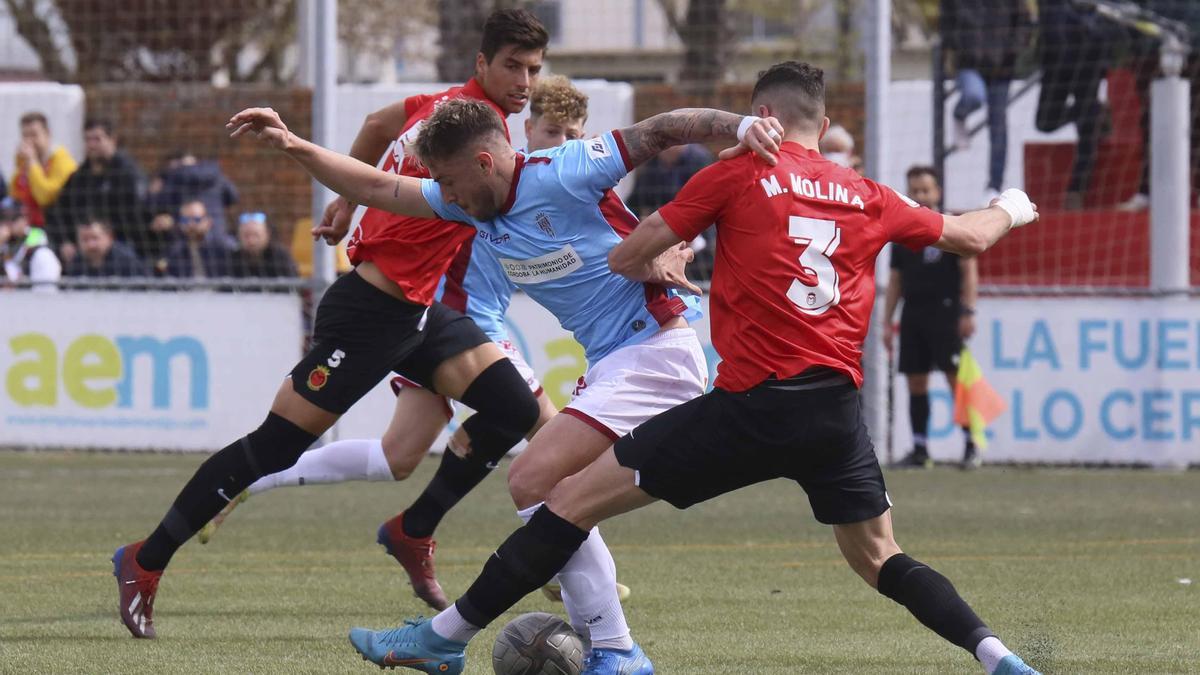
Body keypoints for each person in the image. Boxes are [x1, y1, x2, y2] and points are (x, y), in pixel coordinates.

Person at [327, 61, 1043, 675]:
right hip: (835, 414)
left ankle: (452, 638)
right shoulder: (866, 192)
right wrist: (1011, 205)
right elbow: (967, 236)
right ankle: (996, 654)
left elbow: (628, 252)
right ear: (819, 128)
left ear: (761, 117)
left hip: (746, 406)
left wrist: (666, 252)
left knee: (557, 495)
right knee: (881, 556)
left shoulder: (738, 174)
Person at [225, 87, 783, 672]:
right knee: (554, 493)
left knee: (533, 477)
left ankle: (552, 644)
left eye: (449, 178)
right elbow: (373, 187)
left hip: (656, 351)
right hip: (620, 358)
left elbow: (664, 127)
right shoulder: (466, 200)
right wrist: (291, 143)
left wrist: (742, 125)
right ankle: (613, 651)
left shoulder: (564, 170)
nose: (446, 194)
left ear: (483, 163)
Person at [110, 7, 550, 642]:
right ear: (482, 64)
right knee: (274, 446)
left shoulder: (453, 110)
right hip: (370, 312)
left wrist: (347, 202)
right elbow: (404, 186)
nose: (525, 80)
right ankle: (142, 562)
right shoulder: (467, 139)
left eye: (534, 68)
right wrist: (345, 189)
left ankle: (413, 529)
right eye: (513, 65)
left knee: (512, 407)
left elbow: (375, 126)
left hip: (421, 312)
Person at [199, 75, 615, 609]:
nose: (562, 143)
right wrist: (348, 202)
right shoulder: (486, 174)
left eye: (573, 134)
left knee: (399, 457)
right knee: (553, 432)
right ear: (524, 129)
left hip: (458, 322)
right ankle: (564, 571)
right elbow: (382, 144)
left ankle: (268, 484)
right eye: (552, 130)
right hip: (449, 320)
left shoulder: (550, 183)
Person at [883, 166, 980, 469]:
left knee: (955, 379)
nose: (921, 195)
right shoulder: (903, 233)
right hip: (913, 314)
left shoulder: (951, 226)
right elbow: (896, 280)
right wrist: (887, 321)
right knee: (916, 381)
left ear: (937, 192)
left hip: (946, 312)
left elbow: (968, 271)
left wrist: (968, 310)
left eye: (926, 189)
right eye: (915, 190)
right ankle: (920, 449)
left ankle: (970, 444)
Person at [942, 0, 1032, 202]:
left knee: (998, 125)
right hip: (969, 63)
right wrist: (952, 52)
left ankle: (994, 185)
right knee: (974, 96)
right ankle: (960, 114)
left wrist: (1012, 52)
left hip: (1001, 67)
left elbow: (1024, 22)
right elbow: (947, 25)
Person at [1035, 0, 1114, 210]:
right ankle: (1096, 110)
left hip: (1088, 58)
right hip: (1056, 66)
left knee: (1087, 129)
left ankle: (1076, 190)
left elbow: (1105, 16)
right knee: (1045, 122)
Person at [47, 119, 147, 257]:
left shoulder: (128, 174)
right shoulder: (78, 177)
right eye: (87, 140)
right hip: (82, 247)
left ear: (113, 140)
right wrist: (65, 241)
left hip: (120, 245)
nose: (91, 145)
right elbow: (60, 210)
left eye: (97, 139)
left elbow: (136, 215)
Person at [9, 112, 77, 254]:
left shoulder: (62, 161)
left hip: (54, 233)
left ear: (47, 134)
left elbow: (45, 197)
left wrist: (32, 162)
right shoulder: (27, 164)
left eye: (34, 135)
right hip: (27, 229)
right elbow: (15, 194)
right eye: (25, 136)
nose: (29, 141)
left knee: (29, 251)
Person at [145, 150, 238, 247]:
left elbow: (154, 205)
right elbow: (233, 196)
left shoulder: (173, 177)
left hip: (185, 238)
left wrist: (153, 193)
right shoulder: (215, 174)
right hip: (218, 233)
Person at [0, 197, 61, 290]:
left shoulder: (37, 236)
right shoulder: (5, 242)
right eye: (3, 218)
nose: (7, 223)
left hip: (34, 293)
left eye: (13, 218)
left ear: (25, 219)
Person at [164, 199, 234, 278]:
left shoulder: (224, 247)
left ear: (208, 221)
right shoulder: (175, 251)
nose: (191, 224)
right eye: (185, 220)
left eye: (197, 220)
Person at [64, 217, 147, 277]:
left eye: (95, 238)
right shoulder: (76, 263)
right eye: (85, 239)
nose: (91, 245)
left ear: (110, 237)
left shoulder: (128, 263)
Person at [229, 212, 298, 278]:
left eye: (256, 235)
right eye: (246, 236)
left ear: (267, 234)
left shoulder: (281, 257)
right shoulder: (232, 258)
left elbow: (292, 286)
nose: (251, 241)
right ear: (238, 236)